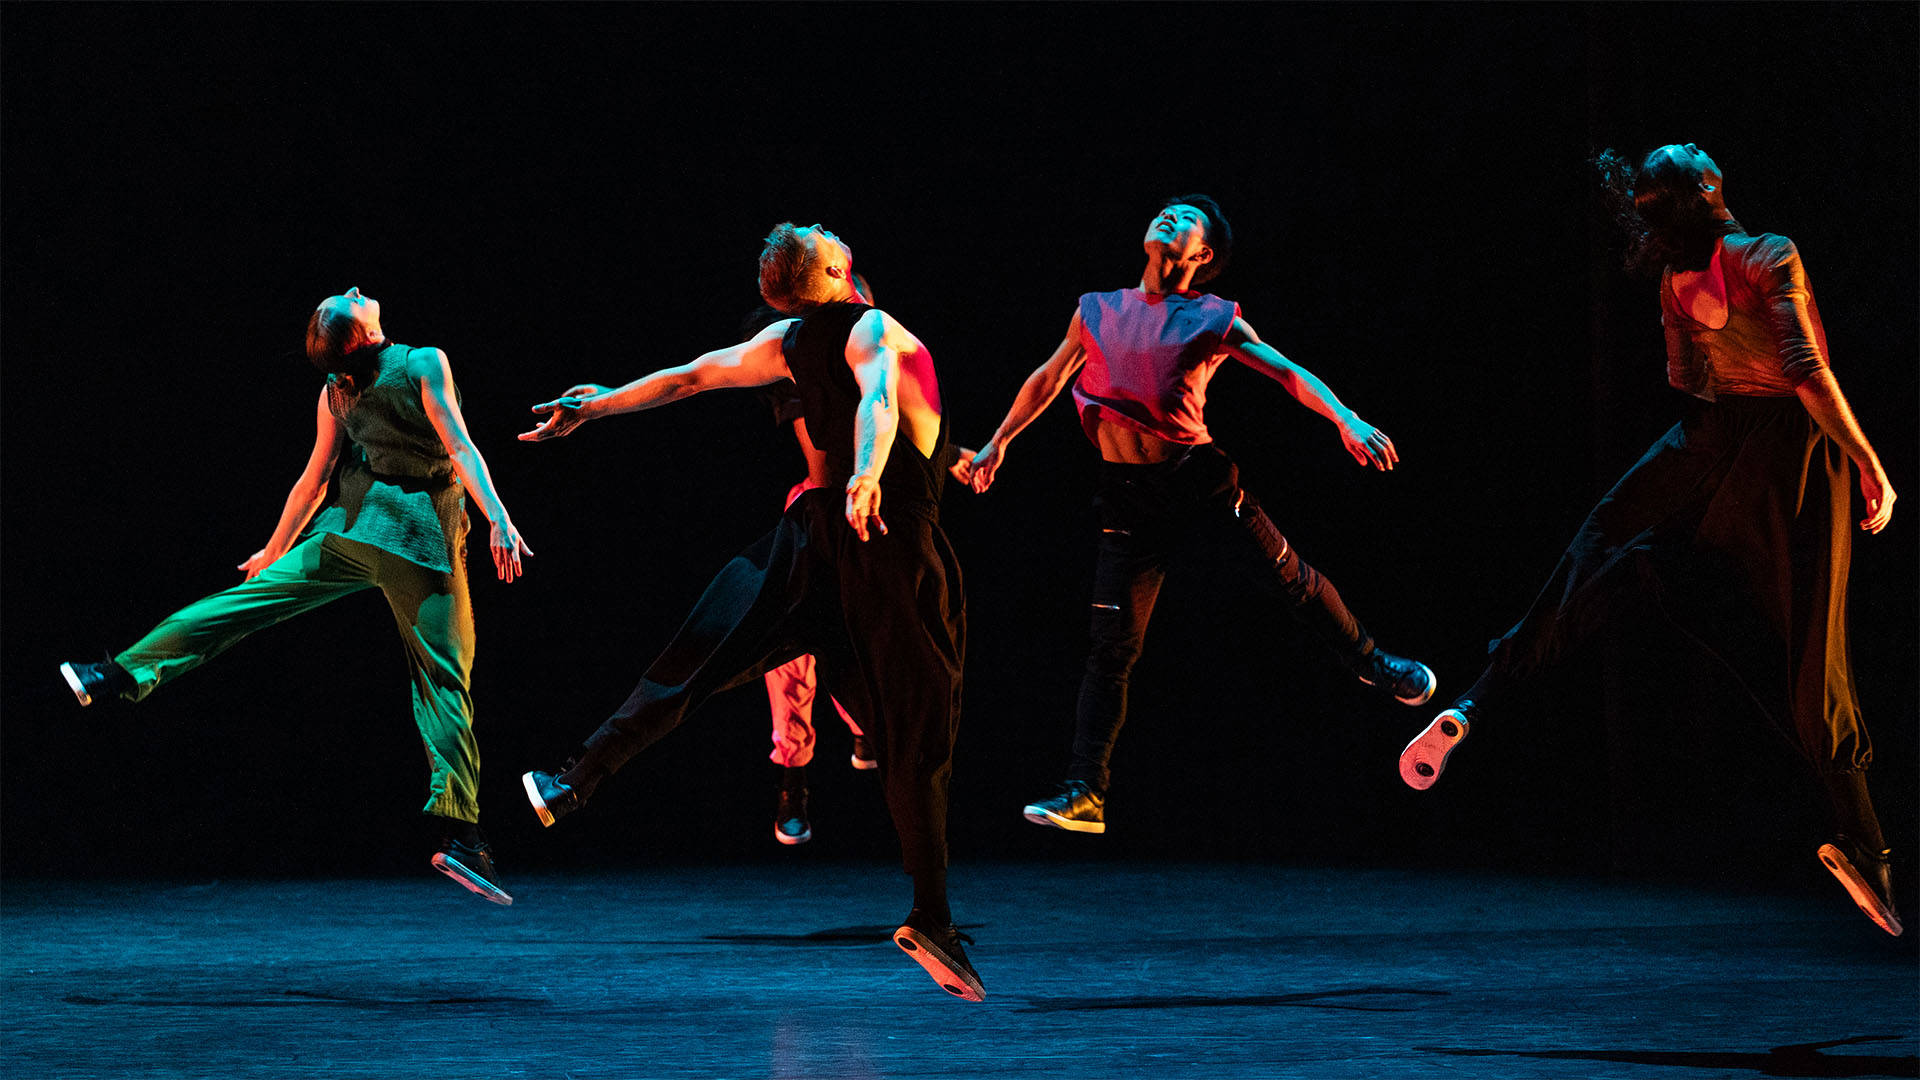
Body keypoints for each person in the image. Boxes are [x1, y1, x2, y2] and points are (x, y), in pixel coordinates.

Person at [1397, 144, 1902, 937]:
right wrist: (1870, 461)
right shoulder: (1771, 253)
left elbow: (1683, 380)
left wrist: (1718, 349)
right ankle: (1866, 841)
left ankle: (1476, 698)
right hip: (1790, 450)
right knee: (1814, 648)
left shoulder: (1672, 281)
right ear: (1712, 191)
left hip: (1704, 436)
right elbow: (1805, 368)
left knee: (1612, 547)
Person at [517, 224, 983, 1001]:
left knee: (704, 651)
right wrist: (868, 473)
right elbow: (873, 399)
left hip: (811, 536)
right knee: (917, 726)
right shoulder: (869, 324)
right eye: (821, 234)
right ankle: (930, 915)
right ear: (837, 269)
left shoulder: (789, 341)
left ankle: (577, 780)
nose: (829, 229)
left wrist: (598, 406)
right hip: (885, 536)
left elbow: (690, 377)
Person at [958, 195, 1434, 835]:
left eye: (1185, 219)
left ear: (1202, 254)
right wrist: (999, 441)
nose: (1166, 217)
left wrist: (1345, 419)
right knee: (1111, 649)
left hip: (1198, 483)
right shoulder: (1097, 309)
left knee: (1289, 578)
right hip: (1126, 496)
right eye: (1163, 211)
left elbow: (1287, 373)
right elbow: (1047, 377)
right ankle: (1085, 793)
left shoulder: (1212, 316)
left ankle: (1373, 662)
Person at [58, 287, 533, 904]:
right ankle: (461, 835)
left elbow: (313, 482)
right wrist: (496, 515)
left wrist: (275, 550)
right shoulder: (423, 362)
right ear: (362, 338)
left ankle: (113, 673)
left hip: (352, 530)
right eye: (349, 301)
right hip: (419, 540)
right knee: (444, 681)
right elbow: (460, 446)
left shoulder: (336, 387)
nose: (358, 292)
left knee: (240, 606)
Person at [739, 300, 880, 849]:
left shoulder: (877, 349)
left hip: (871, 503)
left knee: (861, 638)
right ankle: (792, 779)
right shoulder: (799, 365)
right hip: (819, 505)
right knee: (790, 645)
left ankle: (869, 727)